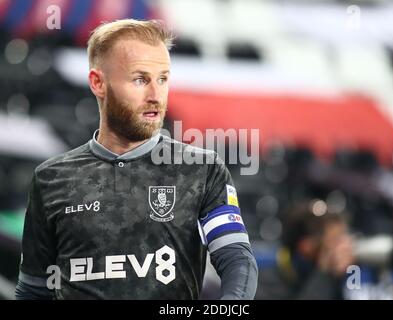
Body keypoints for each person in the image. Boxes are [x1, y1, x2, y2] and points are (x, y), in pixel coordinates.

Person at [15, 19, 258, 300]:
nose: (156, 95)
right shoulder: (51, 178)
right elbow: (33, 289)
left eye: (163, 79)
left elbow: (237, 260)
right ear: (98, 83)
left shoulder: (201, 169)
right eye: (140, 79)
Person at [256, 201, 354, 300]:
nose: (344, 248)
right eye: (335, 241)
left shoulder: (343, 275)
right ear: (306, 246)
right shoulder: (262, 284)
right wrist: (325, 271)